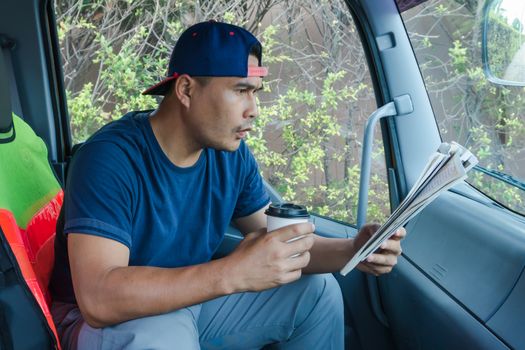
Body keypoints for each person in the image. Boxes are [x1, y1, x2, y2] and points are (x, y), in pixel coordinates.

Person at [50, 20, 405, 350]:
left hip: (191, 303)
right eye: (241, 90)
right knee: (163, 337)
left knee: (316, 291)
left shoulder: (230, 156)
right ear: (187, 89)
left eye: (256, 92)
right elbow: (98, 300)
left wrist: (355, 249)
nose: (254, 109)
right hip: (102, 322)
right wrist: (232, 272)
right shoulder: (110, 158)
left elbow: (278, 240)